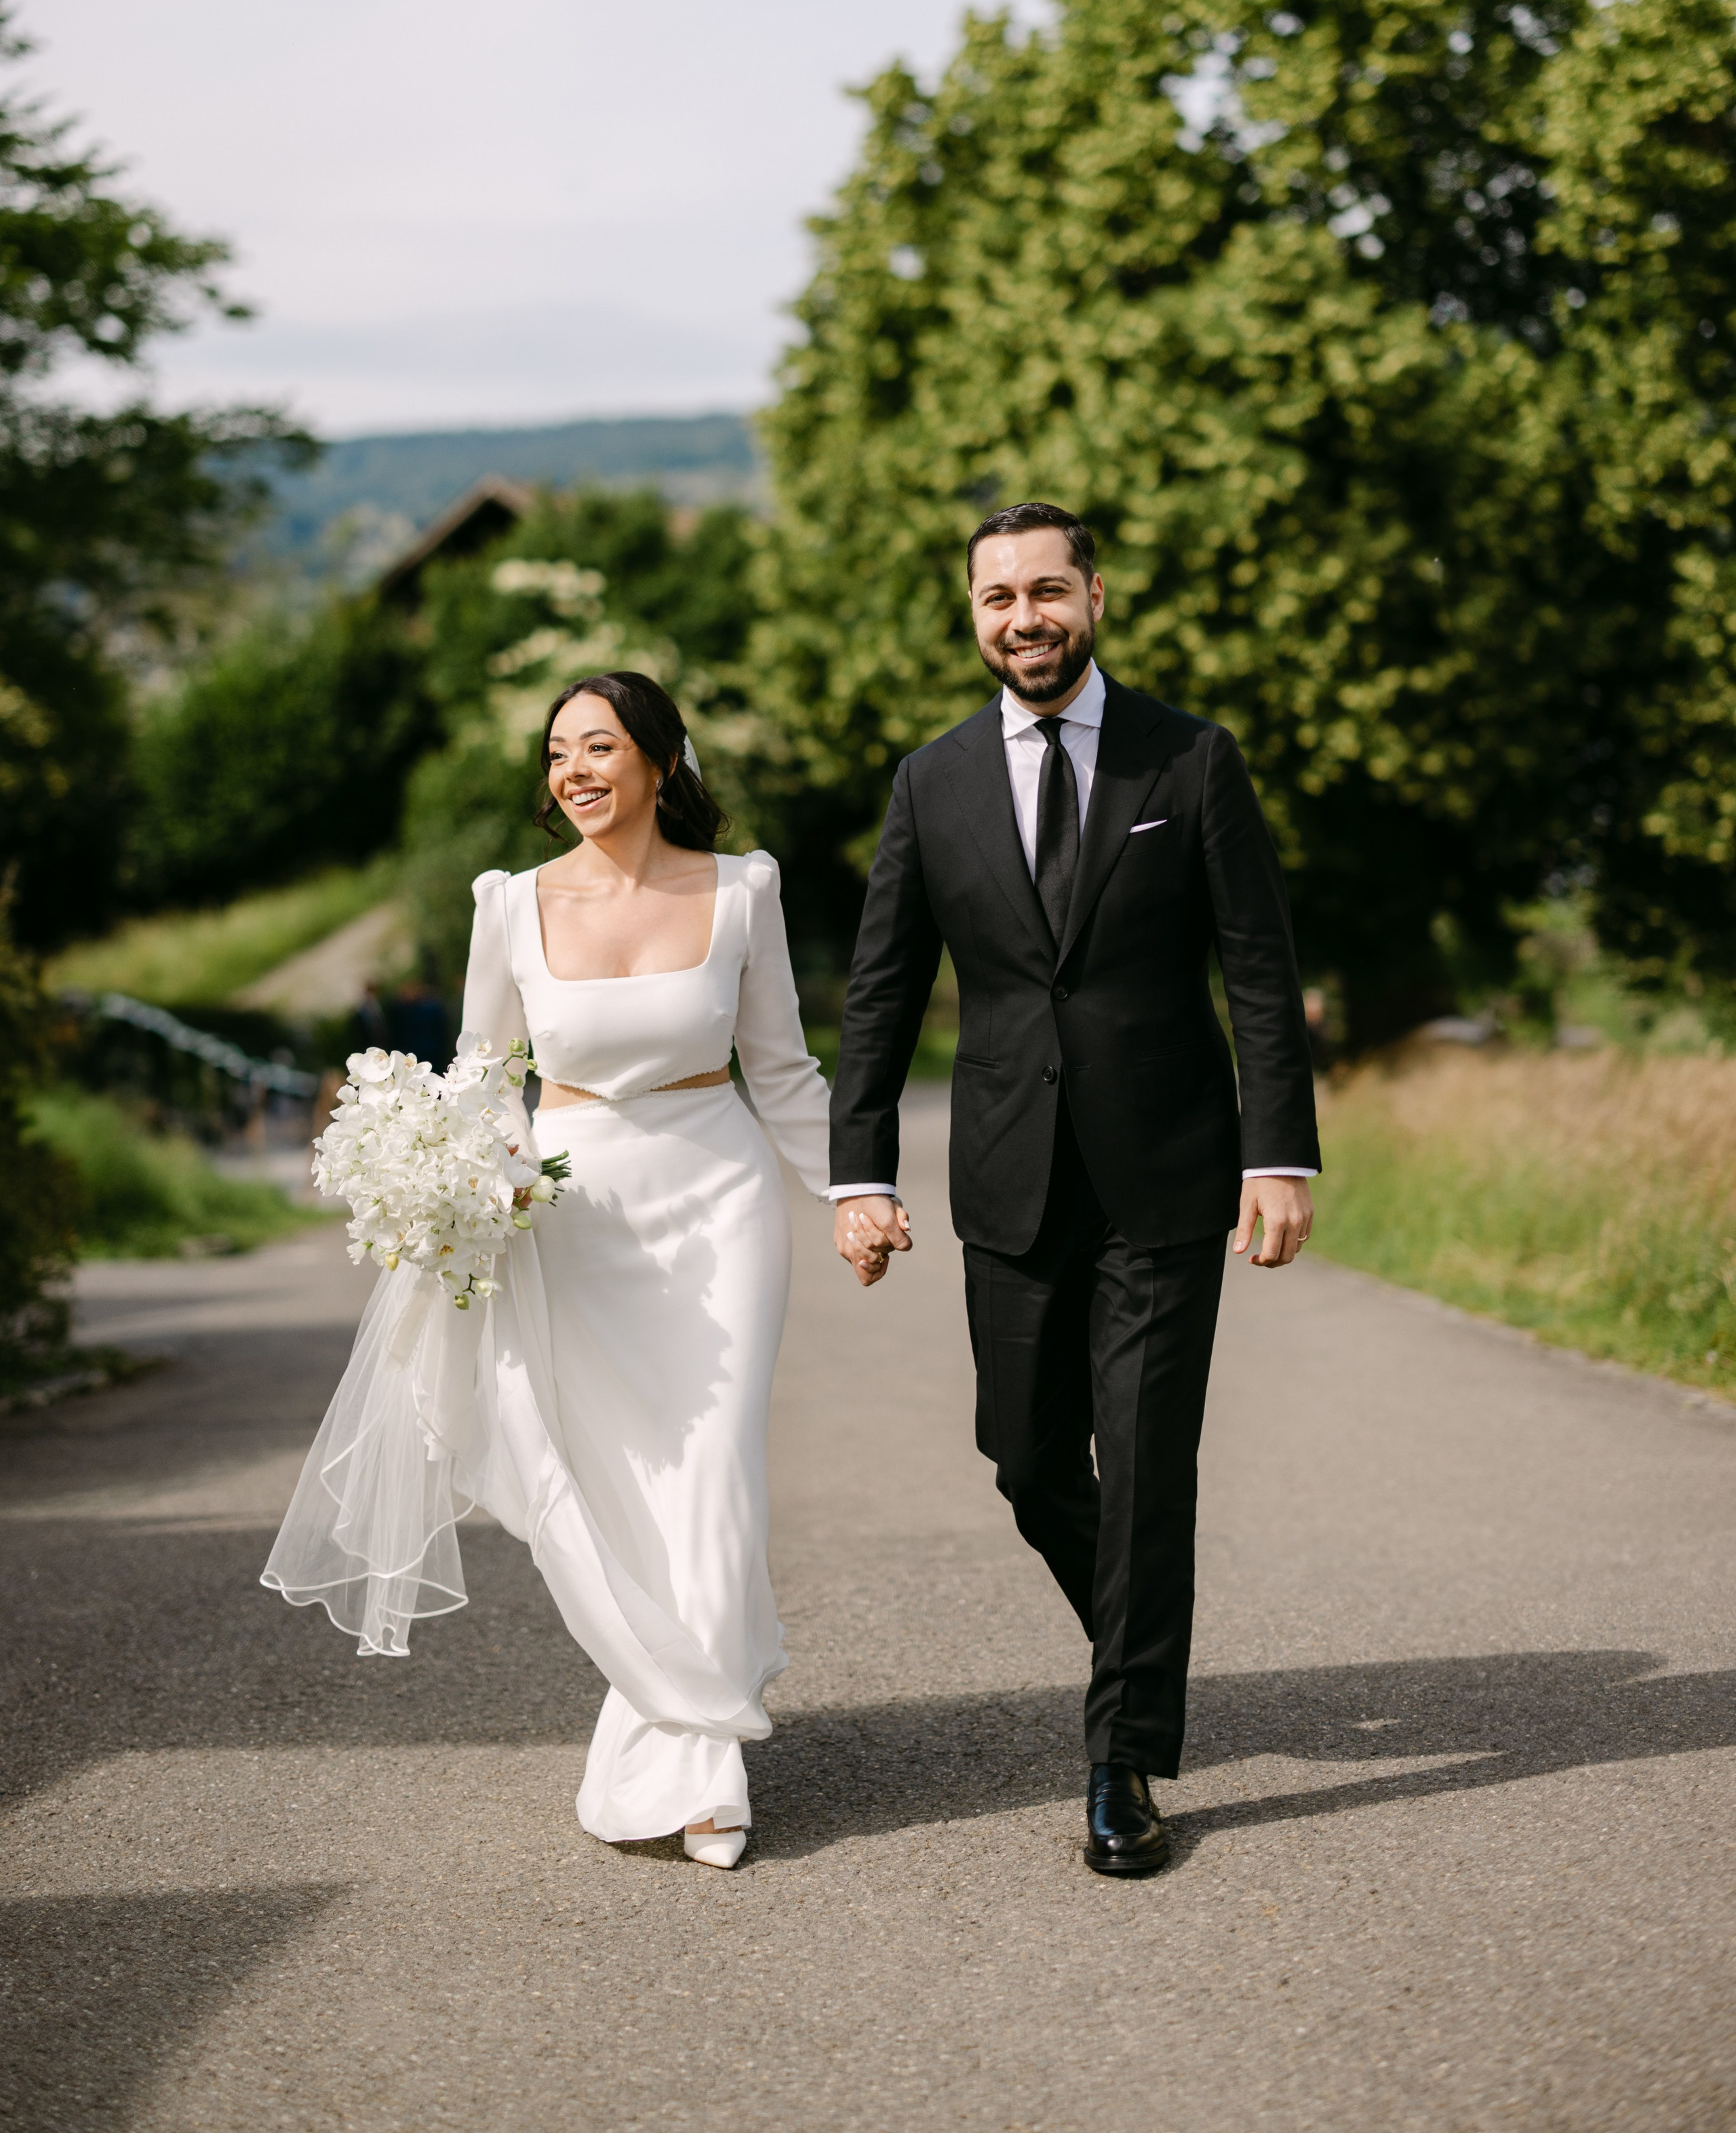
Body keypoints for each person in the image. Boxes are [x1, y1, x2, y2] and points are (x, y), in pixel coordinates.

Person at [264, 671, 831, 1870]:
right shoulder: (511, 905)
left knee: (713, 1465)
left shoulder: (744, 889)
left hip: (719, 1203)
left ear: (662, 761)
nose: (575, 769)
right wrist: (477, 1175)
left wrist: (855, 1193)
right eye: (559, 750)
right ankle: (679, 1711)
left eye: (602, 745)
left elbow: (780, 1070)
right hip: (574, 1218)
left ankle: (706, 1765)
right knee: (618, 1480)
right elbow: (486, 1076)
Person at [828, 504, 1320, 1878]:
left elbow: (1257, 969)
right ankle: (1138, 1644)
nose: (1022, 616)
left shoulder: (1190, 758)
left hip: (1166, 1174)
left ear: (1092, 597)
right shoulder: (929, 784)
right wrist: (857, 1170)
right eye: (997, 596)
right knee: (1027, 1456)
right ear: (973, 613)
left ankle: (1121, 1756)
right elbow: (880, 990)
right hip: (1006, 1176)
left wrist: (1274, 1153)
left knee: (1147, 1466)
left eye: (1047, 589)